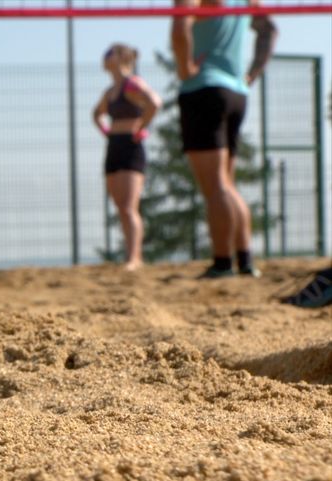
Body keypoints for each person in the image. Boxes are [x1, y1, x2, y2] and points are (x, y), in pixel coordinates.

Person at [171, 0, 277, 279]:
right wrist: (252, 74)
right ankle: (245, 260)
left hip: (204, 88)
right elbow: (269, 29)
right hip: (236, 92)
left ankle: (222, 263)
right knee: (227, 184)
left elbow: (180, 26)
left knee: (216, 186)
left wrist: (184, 69)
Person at [92, 43, 163, 271]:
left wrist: (142, 127)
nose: (104, 57)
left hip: (132, 146)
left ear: (121, 57)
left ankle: (135, 258)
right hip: (114, 146)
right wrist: (106, 132)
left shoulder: (132, 84)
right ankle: (129, 256)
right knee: (121, 207)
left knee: (130, 206)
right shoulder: (110, 91)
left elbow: (155, 103)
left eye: (108, 52)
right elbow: (96, 114)